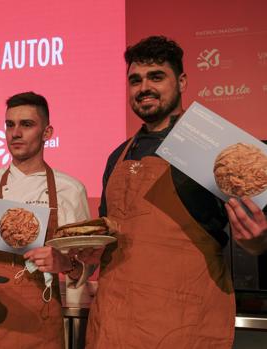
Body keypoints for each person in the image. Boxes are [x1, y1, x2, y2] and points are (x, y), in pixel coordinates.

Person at [84, 35, 245, 348]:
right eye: (135, 80)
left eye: (156, 77)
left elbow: (257, 236)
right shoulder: (116, 156)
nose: (144, 87)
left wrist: (257, 239)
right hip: (113, 328)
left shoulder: (213, 149)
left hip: (182, 328)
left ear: (182, 81)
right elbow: (106, 235)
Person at [0, 92, 91, 348]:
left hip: (39, 322)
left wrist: (64, 262)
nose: (15, 133)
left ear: (47, 132)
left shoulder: (70, 189)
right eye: (10, 125)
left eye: (26, 124)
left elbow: (86, 263)